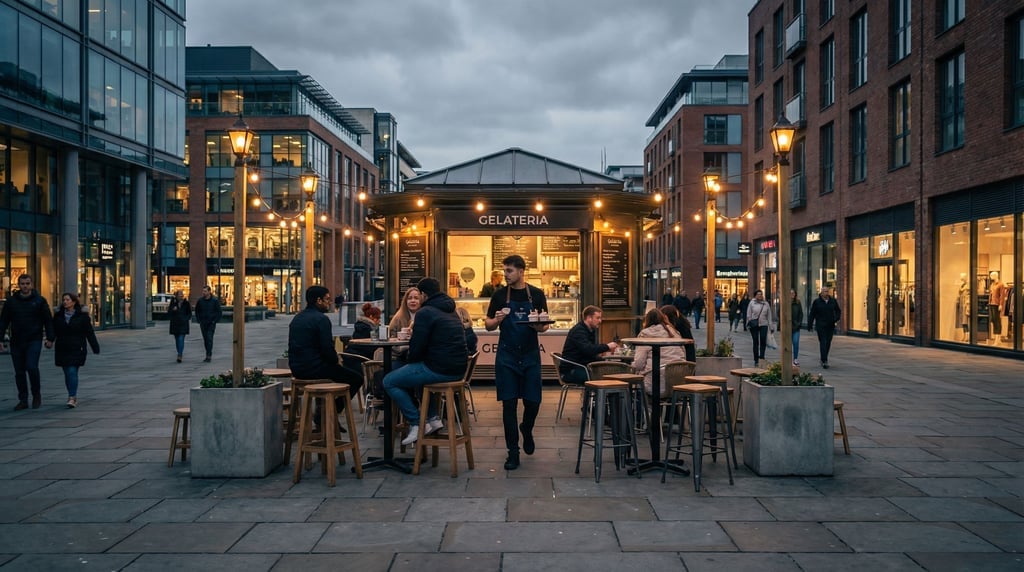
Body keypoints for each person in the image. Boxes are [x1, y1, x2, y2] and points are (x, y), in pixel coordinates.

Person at [384, 277, 468, 446]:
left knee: (389, 381)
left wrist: (409, 360)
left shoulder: (425, 312)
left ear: (423, 294)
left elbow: (417, 347)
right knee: (417, 377)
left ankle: (416, 424)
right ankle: (433, 418)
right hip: (458, 370)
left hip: (439, 369)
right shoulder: (451, 310)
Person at [485, 254, 549, 470]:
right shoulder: (500, 295)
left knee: (533, 401)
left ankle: (527, 427)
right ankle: (513, 452)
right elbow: (488, 324)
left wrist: (537, 326)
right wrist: (496, 320)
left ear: (522, 271)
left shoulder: (537, 295)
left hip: (530, 354)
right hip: (507, 355)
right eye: (504, 271)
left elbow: (545, 325)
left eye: (509, 271)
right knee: (509, 405)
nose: (506, 274)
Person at [288, 285, 364, 400]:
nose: (330, 302)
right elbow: (327, 349)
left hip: (297, 369)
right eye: (327, 299)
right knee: (357, 378)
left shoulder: (297, 318)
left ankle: (322, 412)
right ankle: (334, 409)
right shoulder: (321, 319)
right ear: (319, 300)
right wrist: (337, 361)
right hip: (315, 369)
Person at [0, 274, 54, 410]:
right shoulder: (11, 302)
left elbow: (48, 320)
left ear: (31, 284)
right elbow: (3, 321)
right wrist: (0, 339)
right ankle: (23, 399)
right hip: (17, 340)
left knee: (31, 367)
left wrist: (50, 338)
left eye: (27, 283)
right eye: (23, 284)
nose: (25, 286)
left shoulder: (40, 301)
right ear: (19, 285)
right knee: (19, 371)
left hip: (34, 339)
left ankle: (36, 395)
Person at [52, 292, 99, 408]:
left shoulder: (82, 316)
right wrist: (49, 340)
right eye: (64, 300)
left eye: (68, 300)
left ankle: (72, 397)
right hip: (62, 347)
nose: (65, 302)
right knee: (67, 373)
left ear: (73, 302)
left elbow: (89, 332)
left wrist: (95, 346)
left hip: (77, 347)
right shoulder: (58, 316)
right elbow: (54, 330)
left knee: (72, 371)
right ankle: (71, 394)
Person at [631, 308, 686, 398]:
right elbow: (683, 354)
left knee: (636, 385)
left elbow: (639, 364)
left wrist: (631, 366)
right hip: (678, 383)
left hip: (654, 383)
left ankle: (644, 411)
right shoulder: (674, 333)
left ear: (646, 321)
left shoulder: (645, 334)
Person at [559, 305, 618, 384]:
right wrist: (607, 346)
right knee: (608, 377)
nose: (600, 321)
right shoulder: (579, 331)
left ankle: (601, 395)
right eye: (597, 318)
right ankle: (601, 395)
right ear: (589, 318)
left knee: (611, 373)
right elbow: (588, 349)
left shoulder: (589, 329)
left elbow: (589, 352)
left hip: (581, 367)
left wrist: (605, 359)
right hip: (572, 371)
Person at [807, 286, 841, 369]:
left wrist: (835, 319)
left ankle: (823, 359)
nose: (826, 293)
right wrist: (810, 325)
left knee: (828, 342)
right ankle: (824, 360)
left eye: (827, 291)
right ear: (821, 293)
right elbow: (812, 314)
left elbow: (838, 311)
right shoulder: (817, 302)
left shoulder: (833, 301)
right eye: (824, 291)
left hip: (830, 325)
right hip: (820, 325)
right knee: (823, 342)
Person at [388, 286, 421, 367]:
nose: (413, 301)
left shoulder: (425, 316)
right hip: (399, 357)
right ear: (405, 301)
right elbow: (390, 340)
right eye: (410, 298)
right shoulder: (398, 318)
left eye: (416, 298)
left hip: (419, 357)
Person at [194, 286, 222, 363]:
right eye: (203, 291)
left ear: (209, 291)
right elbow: (197, 311)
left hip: (211, 323)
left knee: (209, 338)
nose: (204, 293)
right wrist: (199, 320)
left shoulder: (214, 300)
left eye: (205, 291)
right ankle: (208, 353)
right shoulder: (200, 301)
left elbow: (219, 312)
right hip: (203, 323)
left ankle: (208, 355)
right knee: (205, 339)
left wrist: (214, 321)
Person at [746, 289, 772, 367]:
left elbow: (769, 315)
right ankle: (756, 359)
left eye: (761, 294)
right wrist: (749, 322)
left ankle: (762, 357)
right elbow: (748, 314)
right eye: (758, 294)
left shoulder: (766, 304)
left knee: (763, 341)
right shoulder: (752, 303)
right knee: (755, 342)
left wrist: (771, 326)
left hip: (764, 324)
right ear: (755, 295)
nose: (759, 295)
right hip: (754, 325)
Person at [168, 290, 191, 363]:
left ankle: (180, 354)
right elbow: (169, 313)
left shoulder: (186, 303)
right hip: (175, 324)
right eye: (179, 295)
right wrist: (173, 310)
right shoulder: (173, 303)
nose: (181, 296)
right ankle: (179, 352)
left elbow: (189, 313)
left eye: (182, 295)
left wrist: (186, 319)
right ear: (176, 296)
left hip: (183, 324)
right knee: (177, 340)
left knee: (181, 338)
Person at [789, 290, 804, 366]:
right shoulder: (785, 302)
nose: (792, 294)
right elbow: (779, 313)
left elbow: (801, 314)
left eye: (793, 293)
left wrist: (799, 323)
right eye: (791, 293)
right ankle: (788, 359)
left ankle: (795, 358)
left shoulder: (798, 303)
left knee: (795, 343)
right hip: (787, 327)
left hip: (796, 327)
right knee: (787, 344)